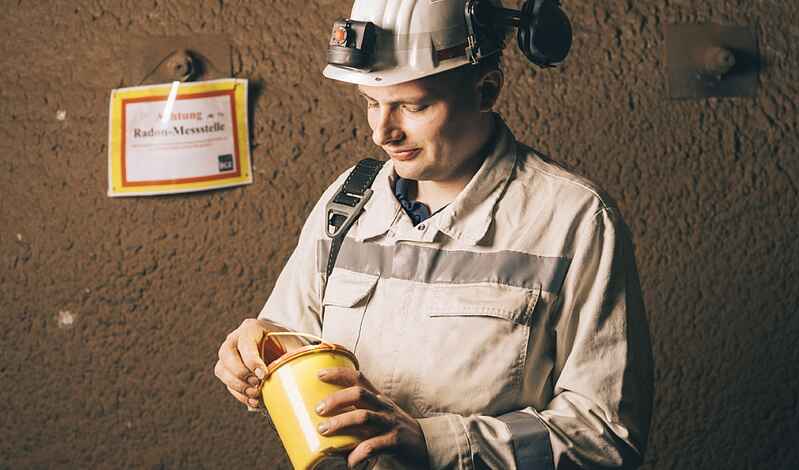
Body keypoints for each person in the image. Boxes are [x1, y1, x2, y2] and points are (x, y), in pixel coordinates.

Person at [214, 0, 654, 468]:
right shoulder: (347, 201)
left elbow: (606, 435)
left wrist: (436, 443)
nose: (383, 133)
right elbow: (293, 347)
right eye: (371, 103)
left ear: (486, 90)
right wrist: (259, 351)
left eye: (412, 106)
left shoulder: (574, 220)